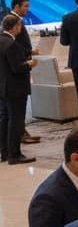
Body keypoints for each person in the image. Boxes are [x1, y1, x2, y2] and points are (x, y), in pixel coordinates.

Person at [0, 14, 38, 164]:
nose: (20, 28)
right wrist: (30, 64)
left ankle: (5, 153)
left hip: (3, 88)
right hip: (15, 89)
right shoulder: (12, 44)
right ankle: (15, 155)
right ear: (15, 26)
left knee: (4, 120)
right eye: (20, 26)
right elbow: (17, 68)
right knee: (16, 121)